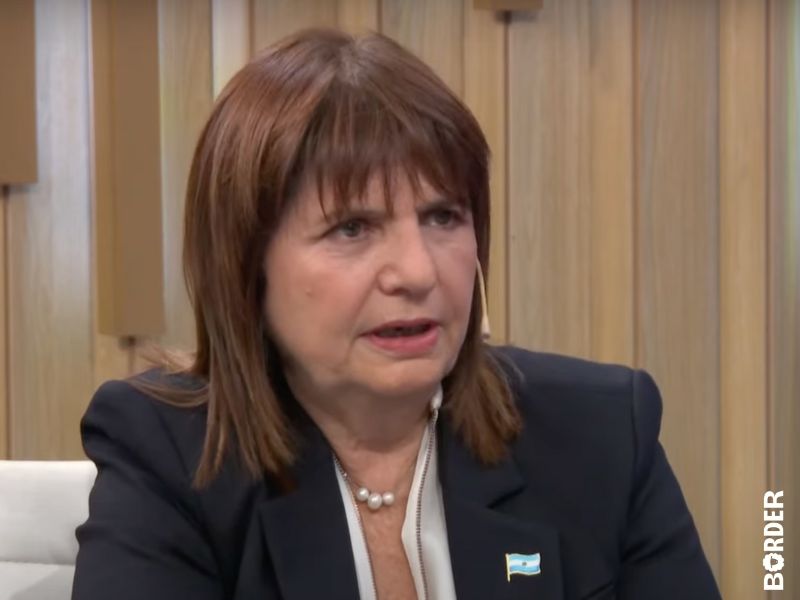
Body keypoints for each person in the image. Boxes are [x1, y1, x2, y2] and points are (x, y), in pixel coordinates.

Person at [71, 28, 721, 600]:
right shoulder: (170, 456)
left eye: (443, 217)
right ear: (247, 265)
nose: (417, 272)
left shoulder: (602, 433)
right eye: (352, 227)